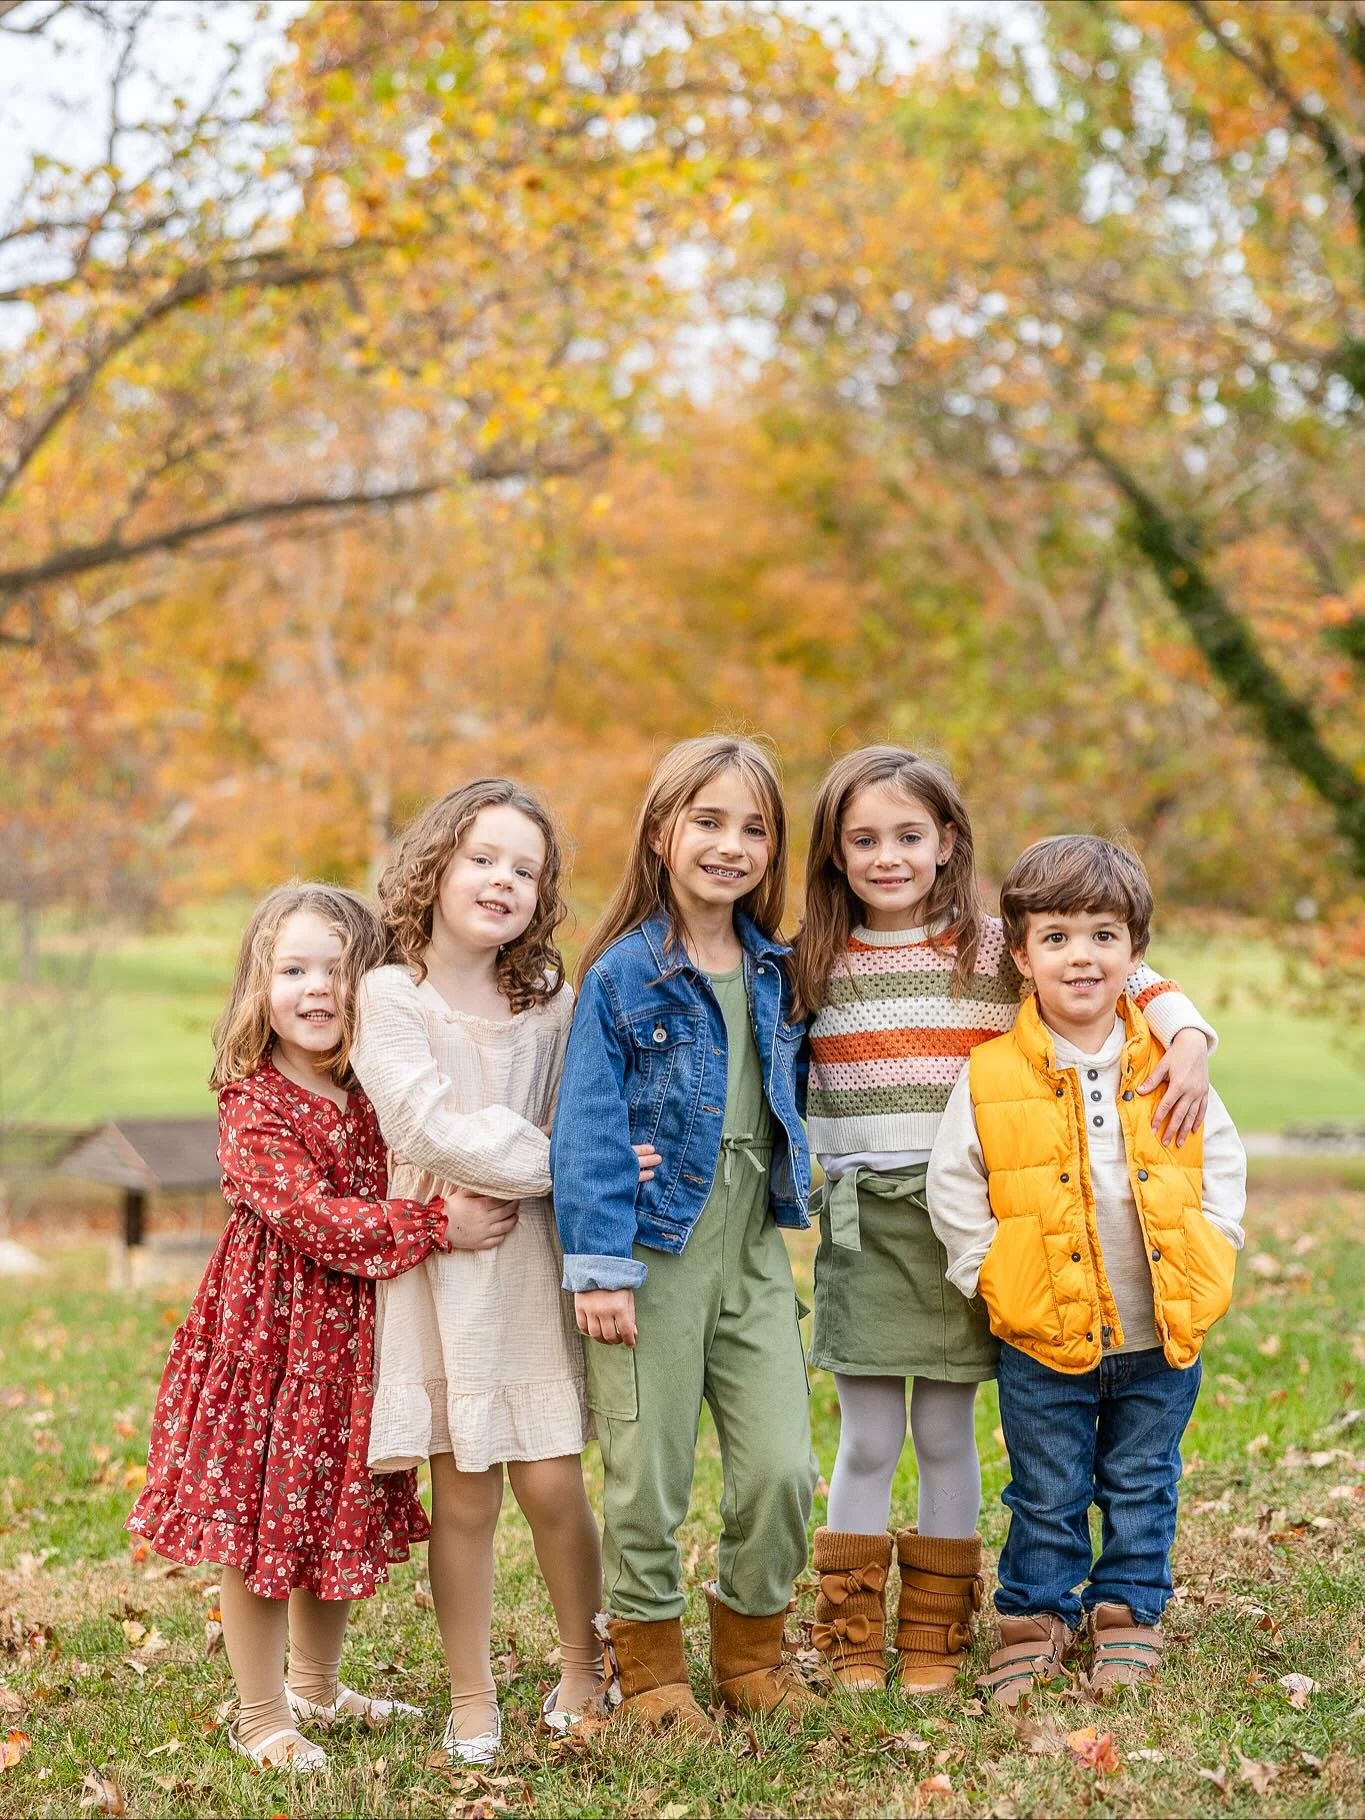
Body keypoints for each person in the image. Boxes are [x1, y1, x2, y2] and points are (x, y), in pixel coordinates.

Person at [790, 748, 1217, 1695]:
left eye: (909, 835)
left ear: (947, 842)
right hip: (865, 1223)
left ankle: (938, 1636)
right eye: (863, 839)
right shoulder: (807, 960)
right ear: (833, 851)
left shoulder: (991, 948)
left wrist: (1188, 1036)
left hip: (980, 1219)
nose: (888, 856)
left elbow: (1121, 970)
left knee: (945, 1433)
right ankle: (853, 1630)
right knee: (865, 1438)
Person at [351, 779, 654, 1765]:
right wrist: (567, 1165)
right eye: (483, 857)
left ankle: (583, 1658)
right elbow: (424, 1122)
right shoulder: (391, 990)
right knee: (465, 1491)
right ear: (435, 862)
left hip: (527, 1260)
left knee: (553, 1480)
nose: (502, 880)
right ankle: (471, 1693)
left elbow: (582, 1110)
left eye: (524, 869)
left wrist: (579, 1164)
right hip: (439, 1260)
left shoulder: (550, 996)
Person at [128, 884, 449, 1771]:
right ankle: (261, 1710)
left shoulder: (377, 1090)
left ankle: (315, 1683)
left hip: (355, 1345)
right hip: (271, 1348)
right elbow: (311, 1218)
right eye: (293, 969)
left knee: (337, 1507)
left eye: (340, 971)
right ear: (256, 987)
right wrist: (430, 1227)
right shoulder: (254, 1101)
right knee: (262, 1519)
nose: (317, 989)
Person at [927, 835, 1245, 1706]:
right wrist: (989, 1273)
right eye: (1058, 936)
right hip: (1043, 1331)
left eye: (1104, 935)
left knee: (1142, 1480)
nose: (1082, 955)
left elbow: (1220, 1165)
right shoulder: (990, 1073)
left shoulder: (1167, 1063)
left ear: (1134, 954)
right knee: (1048, 1486)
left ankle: (1127, 1614)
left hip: (1159, 1328)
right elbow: (953, 1184)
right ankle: (1034, 1618)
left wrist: (1214, 1250)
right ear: (1021, 956)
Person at [551, 734, 818, 1737]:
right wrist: (601, 1268)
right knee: (648, 1472)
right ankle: (654, 1675)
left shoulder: (775, 969)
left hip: (749, 1253)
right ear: (662, 830)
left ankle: (751, 1652)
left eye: (755, 827)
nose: (731, 844)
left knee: (782, 1466)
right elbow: (584, 1131)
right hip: (651, 1256)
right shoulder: (625, 975)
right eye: (707, 819)